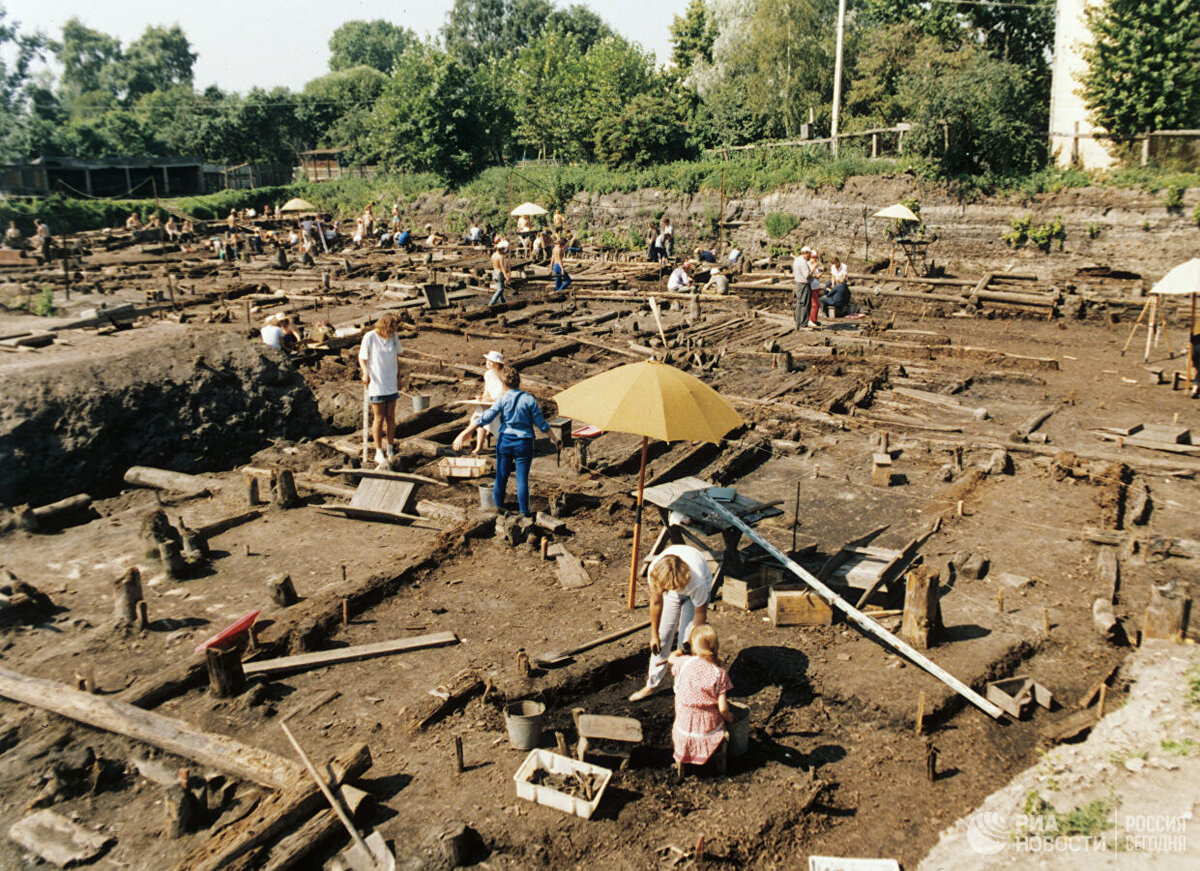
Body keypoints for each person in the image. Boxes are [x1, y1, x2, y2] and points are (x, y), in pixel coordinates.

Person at [452, 366, 561, 516]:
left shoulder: (502, 400)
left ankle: (498, 509)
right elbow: (542, 424)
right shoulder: (529, 399)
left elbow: (486, 417)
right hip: (524, 442)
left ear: (503, 383)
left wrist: (465, 432)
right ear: (519, 382)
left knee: (501, 477)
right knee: (522, 480)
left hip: (506, 441)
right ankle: (524, 513)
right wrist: (555, 439)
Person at [629, 543, 713, 701]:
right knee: (662, 638)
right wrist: (654, 635)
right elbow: (655, 603)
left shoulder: (698, 581)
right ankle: (652, 685)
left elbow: (700, 613)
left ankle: (681, 688)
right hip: (673, 587)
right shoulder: (656, 571)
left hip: (692, 592)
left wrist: (689, 642)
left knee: (685, 646)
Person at [669, 624, 735, 774]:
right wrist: (732, 719)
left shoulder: (684, 662)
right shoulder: (720, 673)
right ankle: (718, 763)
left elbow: (671, 658)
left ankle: (682, 762)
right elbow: (723, 709)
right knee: (721, 720)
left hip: (684, 727)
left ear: (694, 647)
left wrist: (681, 650)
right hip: (708, 729)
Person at [358, 313, 404, 468]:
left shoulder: (394, 337)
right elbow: (362, 358)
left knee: (391, 416)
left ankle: (390, 447)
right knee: (379, 417)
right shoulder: (370, 337)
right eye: (393, 327)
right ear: (386, 325)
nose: (394, 330)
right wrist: (365, 372)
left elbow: (396, 358)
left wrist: (399, 377)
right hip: (376, 382)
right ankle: (378, 450)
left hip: (390, 380)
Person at [454, 350, 506, 454]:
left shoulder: (504, 375)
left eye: (491, 361)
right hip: (491, 405)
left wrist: (493, 400)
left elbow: (504, 394)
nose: (488, 362)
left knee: (483, 413)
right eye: (487, 360)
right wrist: (482, 398)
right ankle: (477, 445)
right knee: (482, 410)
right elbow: (487, 392)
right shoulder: (488, 374)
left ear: (497, 364)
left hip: (503, 405)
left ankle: (469, 433)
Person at [792, 246, 813, 330]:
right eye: (809, 254)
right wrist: (811, 274)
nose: (810, 256)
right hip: (804, 284)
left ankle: (798, 323)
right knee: (805, 304)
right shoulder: (803, 262)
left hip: (798, 283)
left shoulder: (796, 260)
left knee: (799, 304)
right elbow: (806, 275)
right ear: (806, 253)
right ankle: (803, 324)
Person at [489, 239, 511, 306]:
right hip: (499, 273)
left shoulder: (493, 255)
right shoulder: (500, 257)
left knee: (499, 288)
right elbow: (502, 267)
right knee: (501, 289)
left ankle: (503, 302)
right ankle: (492, 302)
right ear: (501, 250)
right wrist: (506, 276)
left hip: (495, 273)